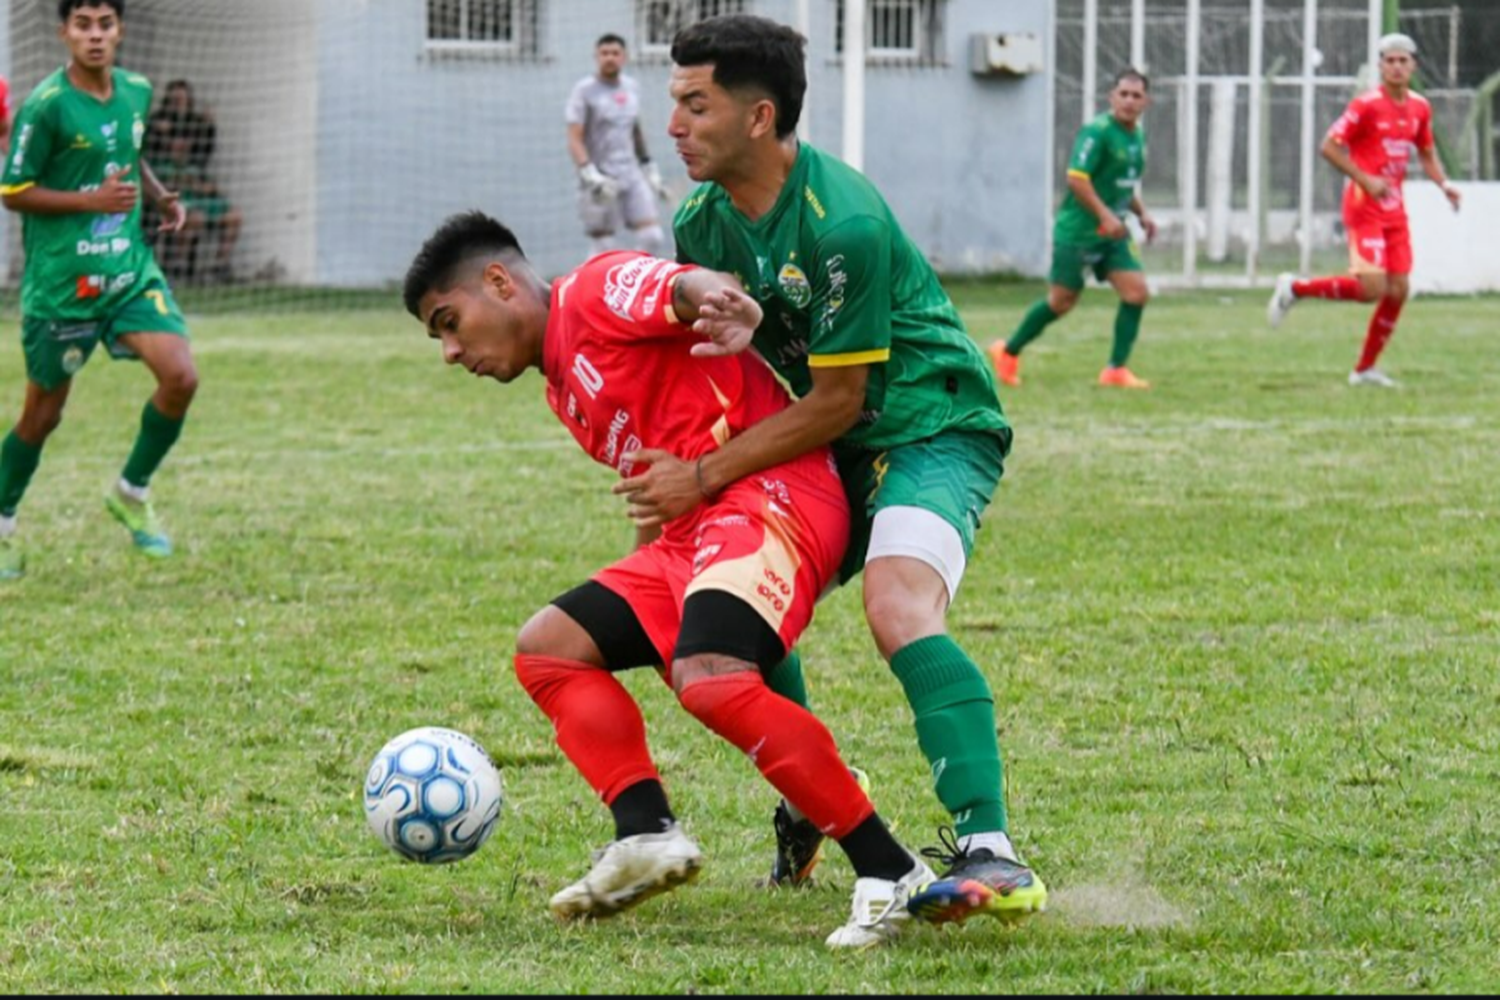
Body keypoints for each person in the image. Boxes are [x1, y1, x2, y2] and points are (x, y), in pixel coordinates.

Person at [403, 211, 940, 949]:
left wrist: (721, 299)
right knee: (549, 647)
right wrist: (642, 586)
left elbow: (679, 286)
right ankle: (646, 832)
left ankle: (891, 869)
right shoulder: (563, 389)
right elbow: (657, 496)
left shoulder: (590, 294)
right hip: (698, 531)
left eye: (449, 321)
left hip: (775, 490)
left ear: (499, 282)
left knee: (709, 675)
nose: (451, 351)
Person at [616, 14, 1049, 925]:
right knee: (735, 594)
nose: (675, 126)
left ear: (760, 116)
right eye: (674, 104)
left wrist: (699, 480)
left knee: (897, 603)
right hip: (826, 443)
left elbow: (841, 400)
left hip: (930, 423)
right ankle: (819, 794)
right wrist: (680, 497)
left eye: (696, 104)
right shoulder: (703, 222)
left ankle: (992, 850)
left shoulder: (839, 221)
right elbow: (723, 384)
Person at [0, 0, 199, 582]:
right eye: (82, 25)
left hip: (126, 272)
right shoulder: (46, 106)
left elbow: (128, 154)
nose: (94, 36)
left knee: (181, 376)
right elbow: (12, 189)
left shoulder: (137, 90)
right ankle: (3, 521)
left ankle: (131, 492)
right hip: (64, 286)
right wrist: (90, 201)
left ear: (120, 31)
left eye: (104, 24)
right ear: (64, 33)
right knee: (42, 416)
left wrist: (159, 196)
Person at [1266, 33, 1462, 387]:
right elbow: (1329, 146)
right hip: (1364, 205)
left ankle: (1365, 369)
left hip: (1394, 209)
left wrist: (1444, 185)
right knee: (1372, 287)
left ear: (1413, 65)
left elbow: (1427, 153)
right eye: (1390, 60)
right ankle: (1296, 288)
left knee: (1399, 288)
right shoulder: (1366, 106)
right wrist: (1366, 178)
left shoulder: (1420, 107)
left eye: (1403, 60)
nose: (1397, 67)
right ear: (1381, 66)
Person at [990, 69, 1158, 390]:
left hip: (1113, 235)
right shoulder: (1097, 132)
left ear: (1146, 102)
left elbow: (1120, 184)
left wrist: (1142, 214)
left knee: (1136, 293)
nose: (1129, 101)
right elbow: (1077, 178)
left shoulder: (1136, 136)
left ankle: (1115, 370)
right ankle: (1008, 351)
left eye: (1136, 96)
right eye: (1123, 94)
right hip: (1078, 231)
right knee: (1061, 301)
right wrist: (1105, 216)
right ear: (1112, 97)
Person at [565, 33, 671, 259]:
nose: (609, 58)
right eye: (604, 53)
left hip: (630, 173)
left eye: (615, 53)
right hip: (600, 177)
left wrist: (649, 166)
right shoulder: (584, 91)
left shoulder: (631, 87)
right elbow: (574, 136)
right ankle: (592, 291)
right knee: (603, 244)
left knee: (652, 236)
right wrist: (589, 173)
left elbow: (635, 128)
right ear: (596, 56)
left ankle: (635, 281)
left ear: (624, 57)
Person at [155, 134, 242, 283]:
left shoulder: (194, 168)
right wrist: (182, 184)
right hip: (179, 205)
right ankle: (179, 265)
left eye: (185, 146)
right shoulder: (162, 166)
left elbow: (210, 188)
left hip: (201, 202)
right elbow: (161, 191)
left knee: (234, 216)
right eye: (178, 146)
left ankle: (220, 265)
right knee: (196, 218)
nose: (182, 149)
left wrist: (199, 186)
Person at [144, 78, 216, 169]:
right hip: (162, 166)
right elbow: (149, 146)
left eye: (181, 99)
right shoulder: (158, 118)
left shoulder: (196, 121)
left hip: (189, 167)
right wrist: (158, 130)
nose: (178, 103)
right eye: (175, 100)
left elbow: (205, 149)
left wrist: (209, 127)